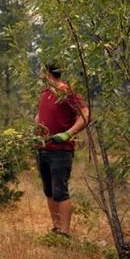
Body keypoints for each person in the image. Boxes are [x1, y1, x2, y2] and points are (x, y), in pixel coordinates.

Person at [35, 64, 89, 237]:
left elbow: (85, 114)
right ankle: (56, 227)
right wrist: (37, 128)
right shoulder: (45, 93)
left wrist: (68, 133)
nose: (39, 73)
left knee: (60, 191)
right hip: (43, 148)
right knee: (49, 190)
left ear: (48, 73)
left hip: (60, 150)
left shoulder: (66, 91)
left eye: (41, 71)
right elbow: (39, 115)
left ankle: (65, 233)